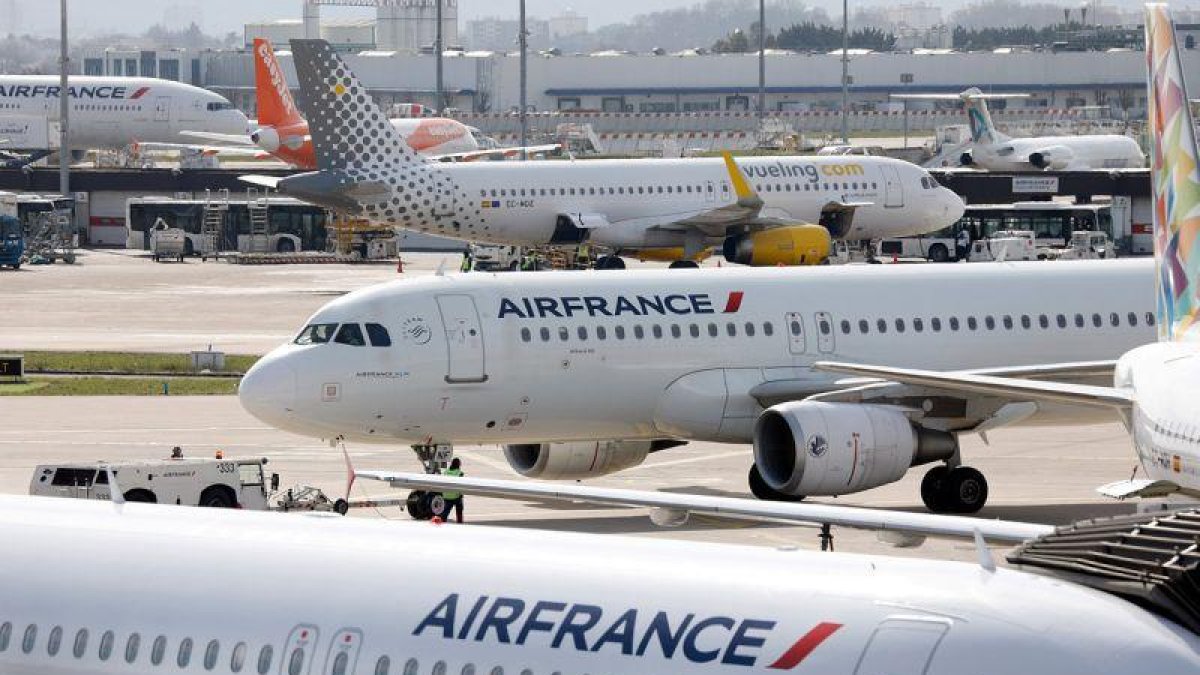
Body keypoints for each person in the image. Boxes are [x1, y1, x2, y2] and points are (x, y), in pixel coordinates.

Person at [440, 458, 464, 523]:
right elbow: (462, 485)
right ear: (458, 464)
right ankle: (459, 522)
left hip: (446, 495)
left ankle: (442, 522)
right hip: (455, 496)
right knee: (459, 509)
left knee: (445, 512)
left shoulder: (446, 472)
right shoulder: (460, 473)